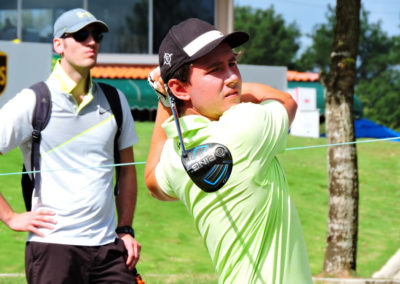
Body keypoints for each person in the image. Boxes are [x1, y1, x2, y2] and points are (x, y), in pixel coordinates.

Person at [144, 18, 313, 283]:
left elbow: (153, 181)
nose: (233, 77)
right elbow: (286, 101)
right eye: (215, 70)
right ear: (180, 87)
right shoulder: (246, 125)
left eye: (232, 63)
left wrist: (166, 101)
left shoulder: (177, 156)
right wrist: (239, 94)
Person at [0, 8, 141, 283]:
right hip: (53, 248)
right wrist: (10, 217)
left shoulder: (115, 100)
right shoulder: (33, 100)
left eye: (96, 35)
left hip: (109, 249)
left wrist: (125, 228)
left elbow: (127, 171)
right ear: (58, 45)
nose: (92, 42)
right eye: (81, 35)